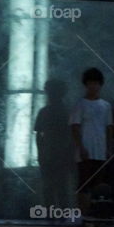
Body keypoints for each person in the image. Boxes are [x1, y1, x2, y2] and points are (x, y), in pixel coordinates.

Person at [70, 68, 114, 213]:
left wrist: (108, 148)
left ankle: (95, 213)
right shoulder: (80, 104)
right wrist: (81, 147)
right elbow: (75, 127)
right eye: (90, 83)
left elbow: (109, 127)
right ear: (86, 84)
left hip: (100, 150)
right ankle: (82, 212)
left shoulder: (106, 106)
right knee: (84, 182)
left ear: (100, 84)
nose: (93, 86)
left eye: (96, 83)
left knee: (98, 183)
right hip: (85, 150)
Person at [34, 79, 73, 209]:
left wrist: (41, 153)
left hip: (56, 154)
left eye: (52, 92)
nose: (50, 95)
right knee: (55, 188)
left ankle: (55, 218)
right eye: (50, 92)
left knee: (55, 189)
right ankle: (55, 219)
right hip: (52, 154)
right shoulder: (59, 112)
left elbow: (71, 136)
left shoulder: (63, 112)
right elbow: (39, 135)